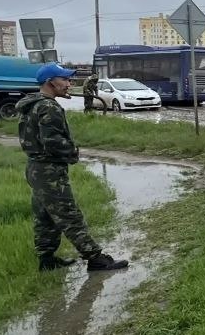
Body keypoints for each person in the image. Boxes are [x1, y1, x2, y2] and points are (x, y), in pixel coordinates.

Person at [16, 63, 128, 273]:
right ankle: (95, 258)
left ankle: (46, 259)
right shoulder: (48, 107)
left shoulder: (31, 104)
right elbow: (53, 142)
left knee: (45, 215)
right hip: (49, 170)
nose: (69, 84)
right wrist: (72, 152)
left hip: (35, 167)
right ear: (51, 82)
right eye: (64, 80)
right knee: (68, 214)